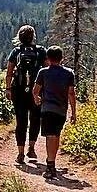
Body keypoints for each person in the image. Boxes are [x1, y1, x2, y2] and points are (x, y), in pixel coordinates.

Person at [4, 25, 47, 166]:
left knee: (21, 121)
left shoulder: (16, 51)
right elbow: (48, 69)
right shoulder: (41, 51)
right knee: (35, 119)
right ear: (33, 36)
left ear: (19, 37)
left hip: (19, 90)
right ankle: (32, 149)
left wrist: (8, 89)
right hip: (37, 91)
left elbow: (9, 72)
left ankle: (20, 153)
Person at [31, 46, 76, 179]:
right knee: (56, 135)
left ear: (48, 59)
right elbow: (71, 93)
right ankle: (52, 163)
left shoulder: (43, 72)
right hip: (61, 110)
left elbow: (35, 90)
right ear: (62, 58)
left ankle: (51, 166)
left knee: (50, 136)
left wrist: (37, 99)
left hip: (47, 109)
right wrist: (74, 112)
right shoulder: (69, 73)